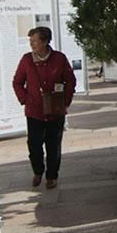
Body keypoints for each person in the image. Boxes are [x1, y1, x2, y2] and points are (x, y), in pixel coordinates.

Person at [13, 26, 76, 189]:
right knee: (34, 145)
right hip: (34, 112)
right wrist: (26, 99)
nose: (32, 44)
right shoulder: (27, 60)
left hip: (55, 111)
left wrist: (65, 102)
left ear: (46, 41)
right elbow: (17, 82)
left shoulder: (59, 58)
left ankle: (52, 175)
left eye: (35, 41)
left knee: (53, 145)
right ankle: (38, 171)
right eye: (30, 41)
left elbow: (70, 80)